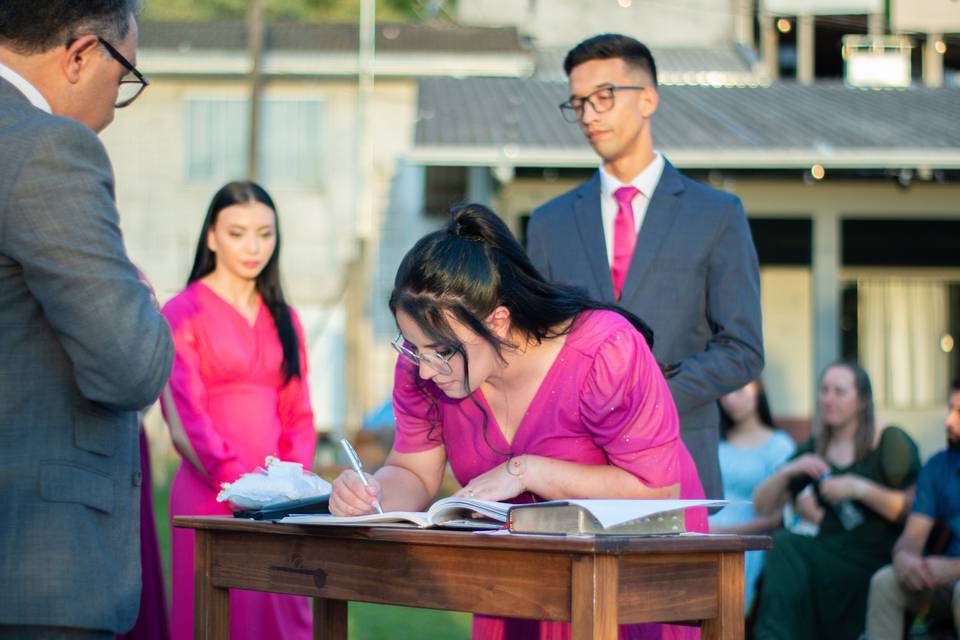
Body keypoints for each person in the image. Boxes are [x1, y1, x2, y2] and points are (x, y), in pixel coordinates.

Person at [331, 203, 707, 640]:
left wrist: (527, 471)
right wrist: (369, 494)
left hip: (632, 573)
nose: (427, 369)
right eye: (414, 348)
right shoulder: (423, 365)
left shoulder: (605, 351)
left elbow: (657, 490)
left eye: (442, 351)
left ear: (499, 321)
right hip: (518, 573)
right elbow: (412, 469)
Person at [526, 33, 763, 501]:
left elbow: (742, 350)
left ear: (648, 98)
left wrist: (650, 396)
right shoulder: (549, 223)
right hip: (573, 472)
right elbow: (535, 347)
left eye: (603, 97)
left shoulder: (716, 215)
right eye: (578, 103)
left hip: (681, 466)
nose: (589, 114)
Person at [0, 1, 174, 637]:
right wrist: (138, 297)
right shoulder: (47, 149)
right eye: (125, 75)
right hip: (36, 571)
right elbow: (130, 367)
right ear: (78, 55)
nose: (113, 105)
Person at [160, 181, 317, 640]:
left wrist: (287, 490)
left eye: (265, 234)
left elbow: (299, 414)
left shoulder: (285, 317)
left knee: (286, 620)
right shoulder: (181, 312)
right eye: (237, 232)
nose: (254, 247)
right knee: (217, 621)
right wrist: (242, 488)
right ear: (211, 236)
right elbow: (186, 418)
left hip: (281, 506)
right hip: (210, 498)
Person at [751, 361, 921, 640]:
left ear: (862, 401)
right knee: (784, 544)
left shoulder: (889, 440)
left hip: (875, 559)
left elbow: (914, 509)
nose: (828, 399)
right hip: (830, 551)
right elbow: (762, 505)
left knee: (788, 548)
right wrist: (788, 471)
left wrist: (859, 488)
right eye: (824, 390)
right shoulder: (817, 447)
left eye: (839, 392)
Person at [865, 380, 960, 640]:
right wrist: (906, 559)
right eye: (950, 409)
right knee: (885, 582)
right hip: (943, 584)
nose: (949, 421)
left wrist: (954, 569)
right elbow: (911, 538)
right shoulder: (939, 468)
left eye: (959, 413)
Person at [708, 381, 795, 612]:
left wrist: (723, 534)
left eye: (739, 391)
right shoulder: (716, 440)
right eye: (725, 393)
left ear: (759, 391)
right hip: (703, 535)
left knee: (721, 611)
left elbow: (779, 518)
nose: (730, 400)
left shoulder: (780, 446)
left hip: (746, 543)